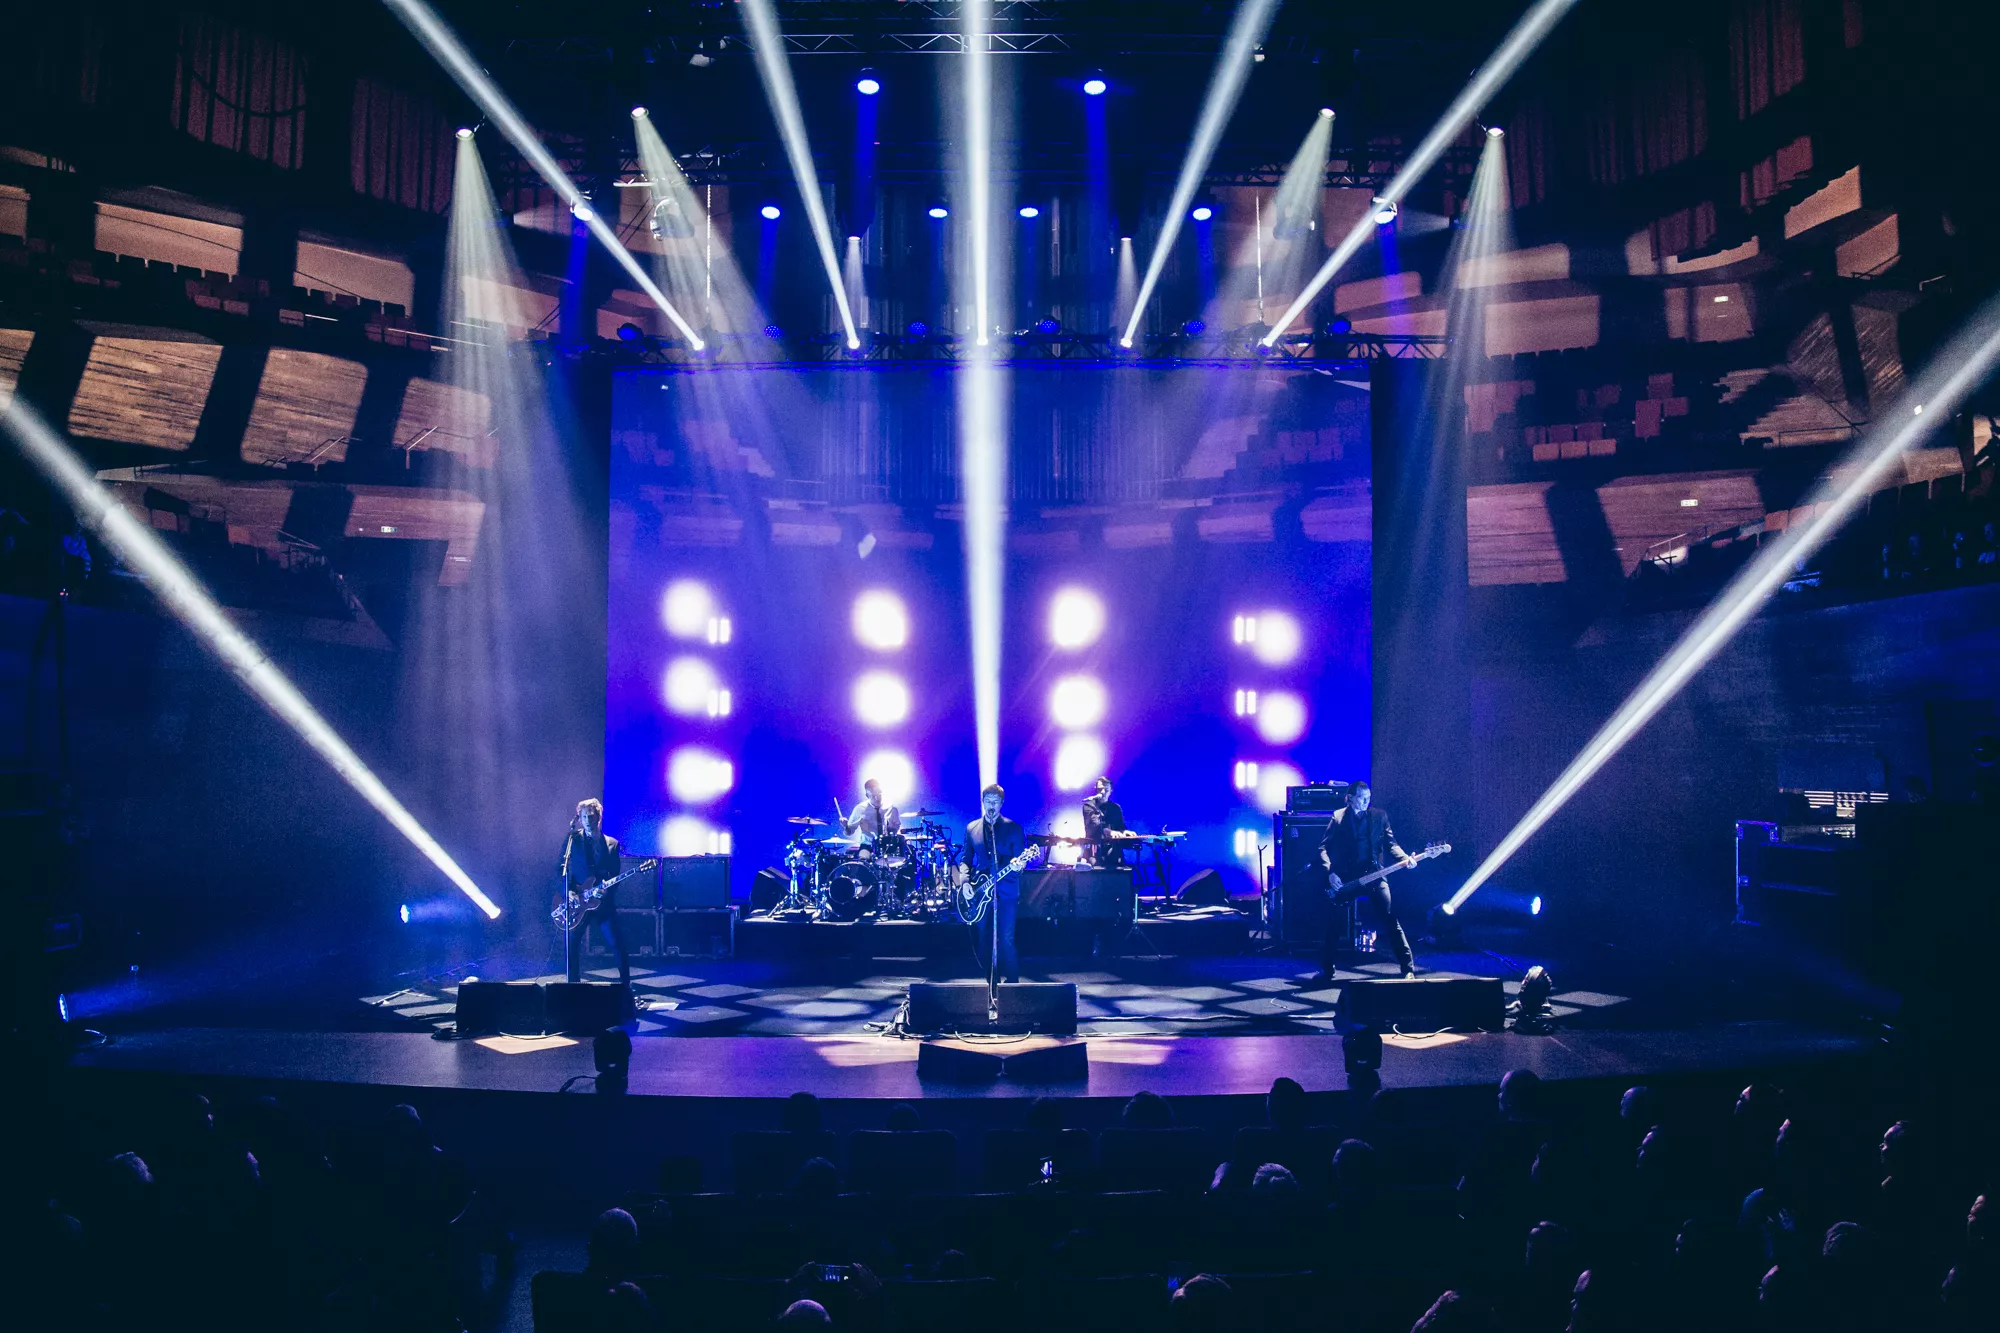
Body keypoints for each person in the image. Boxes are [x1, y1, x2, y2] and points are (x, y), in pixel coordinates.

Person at [1317, 780, 1417, 979]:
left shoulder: (1379, 816)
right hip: (1347, 878)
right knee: (1334, 923)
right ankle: (1327, 970)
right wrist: (1331, 873)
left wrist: (1405, 858)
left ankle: (1408, 969)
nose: (1366, 802)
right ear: (1350, 798)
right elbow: (1323, 848)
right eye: (1362, 798)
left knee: (1390, 920)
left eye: (1368, 798)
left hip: (1374, 875)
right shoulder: (1338, 817)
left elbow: (1391, 844)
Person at [561, 798, 631, 994]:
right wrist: (569, 891)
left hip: (602, 903)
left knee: (617, 944)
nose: (587, 821)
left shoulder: (611, 844)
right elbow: (561, 868)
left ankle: (626, 988)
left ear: (599, 818)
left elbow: (615, 875)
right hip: (579, 902)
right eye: (583, 817)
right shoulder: (573, 840)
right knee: (571, 944)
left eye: (591, 817)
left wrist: (607, 891)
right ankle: (573, 988)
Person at [963, 783, 1025, 983]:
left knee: (1006, 941)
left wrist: (1018, 865)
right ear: (982, 802)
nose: (991, 805)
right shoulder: (972, 828)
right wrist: (965, 882)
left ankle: (1013, 985)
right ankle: (991, 984)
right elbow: (966, 859)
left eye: (995, 802)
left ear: (1002, 803)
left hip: (1006, 892)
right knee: (983, 941)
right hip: (981, 893)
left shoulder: (1013, 829)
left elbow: (1020, 861)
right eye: (988, 801)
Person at [1081, 775, 1127, 866]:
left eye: (1106, 790)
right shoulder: (1088, 806)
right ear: (1095, 789)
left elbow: (1121, 827)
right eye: (1100, 789)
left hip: (1113, 851)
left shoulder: (1116, 808)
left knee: (1119, 862)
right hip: (1094, 851)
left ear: (1111, 791)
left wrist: (1125, 832)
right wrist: (1107, 831)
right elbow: (1095, 824)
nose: (1102, 792)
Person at [841, 777, 901, 845]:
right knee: (864, 852)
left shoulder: (891, 808)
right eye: (873, 796)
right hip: (867, 844)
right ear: (867, 795)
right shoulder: (860, 809)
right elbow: (849, 832)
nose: (877, 799)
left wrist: (892, 831)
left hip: (887, 843)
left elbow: (897, 824)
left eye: (879, 795)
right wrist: (845, 826)